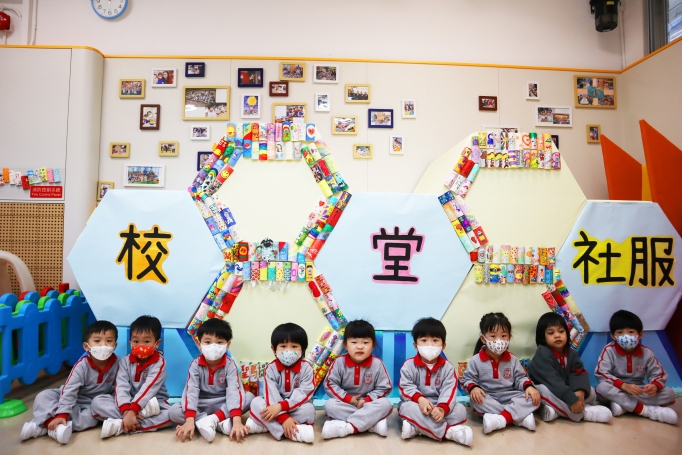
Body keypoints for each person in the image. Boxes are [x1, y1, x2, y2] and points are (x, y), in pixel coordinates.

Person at [21, 321, 119, 444]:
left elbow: (118, 389)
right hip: (72, 397)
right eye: (97, 341)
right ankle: (50, 424)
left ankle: (46, 425)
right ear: (86, 346)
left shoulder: (118, 364)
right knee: (43, 396)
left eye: (109, 341)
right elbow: (70, 389)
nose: (103, 345)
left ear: (115, 345)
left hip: (92, 404)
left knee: (93, 416)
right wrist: (62, 413)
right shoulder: (82, 366)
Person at [170, 319, 253, 443]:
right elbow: (191, 392)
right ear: (199, 344)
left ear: (227, 345)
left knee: (249, 397)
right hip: (201, 404)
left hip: (223, 402)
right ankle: (217, 422)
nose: (213, 346)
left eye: (219, 342)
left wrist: (237, 422)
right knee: (174, 411)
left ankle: (211, 421)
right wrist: (189, 420)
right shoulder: (195, 365)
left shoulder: (230, 365)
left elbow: (234, 392)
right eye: (208, 342)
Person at [91, 315, 173, 438]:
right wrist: (126, 411)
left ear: (157, 343)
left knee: (173, 414)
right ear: (130, 343)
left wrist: (133, 410)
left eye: (146, 341)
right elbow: (121, 386)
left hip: (155, 403)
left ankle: (121, 425)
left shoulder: (159, 363)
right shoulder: (124, 361)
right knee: (97, 402)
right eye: (136, 341)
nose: (141, 345)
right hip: (129, 402)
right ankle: (130, 421)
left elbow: (149, 389)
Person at [398, 317, 473, 446]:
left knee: (460, 410)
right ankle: (448, 432)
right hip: (417, 404)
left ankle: (418, 428)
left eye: (435, 340)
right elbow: (405, 388)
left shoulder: (448, 368)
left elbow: (449, 391)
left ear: (443, 345)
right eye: (424, 340)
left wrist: (442, 409)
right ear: (415, 345)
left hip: (439, 404)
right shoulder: (408, 365)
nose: (430, 345)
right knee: (405, 407)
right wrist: (420, 399)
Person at [462, 312, 540, 434]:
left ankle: (500, 419)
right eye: (493, 336)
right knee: (475, 400)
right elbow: (467, 380)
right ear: (483, 339)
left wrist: (528, 387)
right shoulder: (476, 360)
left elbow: (520, 378)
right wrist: (474, 388)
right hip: (488, 397)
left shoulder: (513, 359)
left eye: (503, 336)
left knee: (534, 397)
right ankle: (518, 417)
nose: (499, 340)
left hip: (510, 396)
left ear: (509, 337)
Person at [595, 310, 678, 424]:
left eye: (631, 332)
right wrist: (623, 386)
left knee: (670, 393)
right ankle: (644, 410)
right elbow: (601, 373)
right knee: (601, 388)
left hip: (638, 390)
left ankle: (624, 405)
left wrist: (655, 386)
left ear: (640, 334)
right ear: (613, 336)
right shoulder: (609, 350)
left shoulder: (647, 353)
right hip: (617, 388)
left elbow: (659, 374)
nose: (626, 336)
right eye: (620, 332)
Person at [529, 313, 612, 423]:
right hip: (550, 388)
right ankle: (581, 414)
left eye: (561, 331)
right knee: (542, 391)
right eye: (551, 333)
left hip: (564, 391)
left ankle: (555, 411)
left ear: (567, 334)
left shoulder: (571, 353)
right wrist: (572, 399)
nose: (557, 335)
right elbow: (553, 382)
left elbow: (578, 373)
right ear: (543, 338)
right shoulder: (542, 354)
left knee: (591, 391)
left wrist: (579, 392)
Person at [245, 323, 315, 443]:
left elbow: (304, 393)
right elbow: (271, 394)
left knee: (309, 409)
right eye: (283, 346)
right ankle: (291, 431)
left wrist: (282, 407)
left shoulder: (307, 368)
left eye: (294, 346)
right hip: (274, 406)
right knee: (256, 402)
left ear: (302, 349)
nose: (288, 351)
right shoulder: (270, 368)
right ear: (274, 349)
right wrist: (283, 418)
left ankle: (265, 426)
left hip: (295, 406)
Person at [322, 320, 392, 439]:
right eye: (354, 342)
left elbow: (385, 387)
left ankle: (349, 427)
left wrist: (367, 400)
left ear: (373, 345)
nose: (360, 346)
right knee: (330, 405)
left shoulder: (377, 364)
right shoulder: (339, 362)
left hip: (368, 404)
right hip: (346, 403)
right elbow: (330, 384)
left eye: (365, 342)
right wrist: (349, 399)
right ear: (345, 345)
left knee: (386, 404)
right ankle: (371, 425)